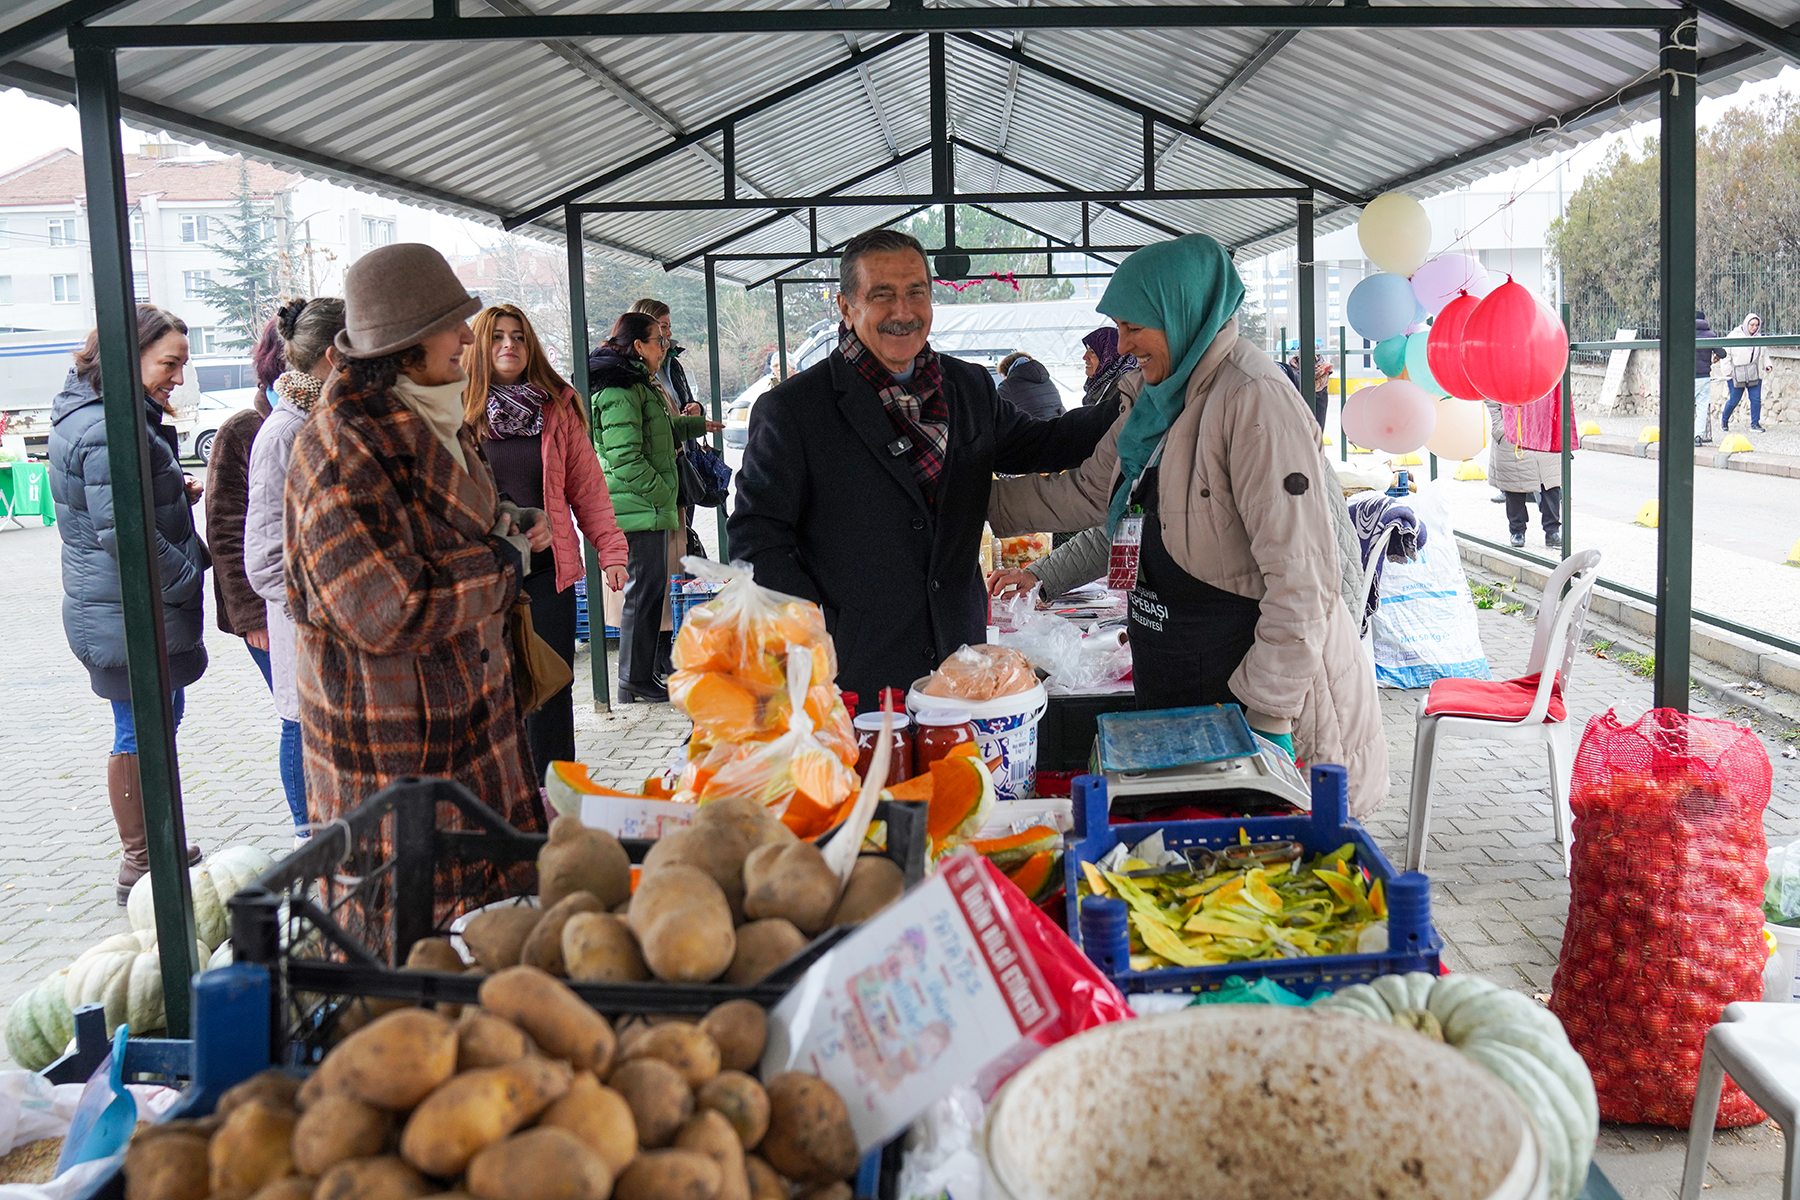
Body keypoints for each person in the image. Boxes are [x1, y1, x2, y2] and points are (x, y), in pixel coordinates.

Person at [985, 234, 1388, 815]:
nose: (1123, 344)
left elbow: (1303, 581)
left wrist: (1269, 716)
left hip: (1251, 701)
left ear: (1182, 313)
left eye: (1134, 327)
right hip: (1178, 683)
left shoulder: (1253, 400)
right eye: (1119, 327)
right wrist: (972, 503)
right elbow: (1094, 496)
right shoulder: (1153, 399)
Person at [728, 227, 1115, 703]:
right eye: (882, 295)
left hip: (959, 659)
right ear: (846, 307)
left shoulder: (967, 388)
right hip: (852, 671)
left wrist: (1134, 403)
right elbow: (756, 535)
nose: (903, 311)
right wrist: (811, 630)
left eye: (916, 292)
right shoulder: (795, 409)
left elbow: (1045, 443)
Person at [284, 243, 551, 917]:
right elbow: (385, 609)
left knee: (493, 936)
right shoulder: (340, 447)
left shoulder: (436, 416)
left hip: (473, 734)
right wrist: (504, 560)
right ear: (405, 346)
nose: (469, 337)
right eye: (452, 324)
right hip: (396, 753)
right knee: (414, 949)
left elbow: (448, 521)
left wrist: (509, 519)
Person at [48, 305, 206, 902]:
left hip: (121, 607)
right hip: (125, 611)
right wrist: (187, 575)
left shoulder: (104, 415)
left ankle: (158, 841)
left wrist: (173, 491)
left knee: (154, 723)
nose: (178, 378)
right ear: (128, 355)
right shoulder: (107, 427)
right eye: (169, 364)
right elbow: (124, 532)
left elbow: (122, 504)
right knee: (140, 729)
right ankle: (141, 859)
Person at [462, 303, 630, 771]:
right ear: (479, 347)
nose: (509, 345)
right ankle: (508, 797)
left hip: (548, 573)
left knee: (552, 687)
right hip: (483, 577)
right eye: (497, 337)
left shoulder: (556, 405)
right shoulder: (457, 407)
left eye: (518, 336)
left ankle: (555, 794)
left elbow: (587, 486)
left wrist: (612, 550)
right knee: (493, 694)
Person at [245, 297, 344, 845]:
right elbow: (263, 559)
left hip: (337, 626)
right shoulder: (284, 432)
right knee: (301, 727)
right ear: (334, 355)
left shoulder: (331, 419)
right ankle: (313, 848)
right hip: (308, 626)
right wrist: (325, 605)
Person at [593, 311, 719, 703]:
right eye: (659, 340)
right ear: (638, 346)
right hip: (638, 507)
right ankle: (633, 679)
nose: (664, 347)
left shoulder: (637, 382)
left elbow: (656, 431)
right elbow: (625, 457)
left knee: (649, 592)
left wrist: (696, 426)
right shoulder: (620, 389)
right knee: (642, 594)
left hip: (645, 505)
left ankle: (639, 676)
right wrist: (662, 490)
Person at [204, 316, 278, 728]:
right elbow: (226, 531)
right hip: (267, 612)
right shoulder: (244, 430)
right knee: (298, 720)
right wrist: (252, 617)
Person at [1486, 400, 1562, 550]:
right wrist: (1501, 431)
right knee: (1514, 486)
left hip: (1543, 431)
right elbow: (1490, 401)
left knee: (1550, 485)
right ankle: (1517, 531)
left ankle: (1552, 531)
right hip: (1512, 434)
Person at [1721, 312, 1766, 434]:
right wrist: (1728, 372)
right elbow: (1725, 355)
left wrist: (1767, 365)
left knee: (1755, 399)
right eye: (1752, 325)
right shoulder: (1734, 336)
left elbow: (1764, 353)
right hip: (1736, 373)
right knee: (1734, 399)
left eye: (1757, 325)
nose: (1754, 328)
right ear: (1746, 324)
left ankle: (1755, 423)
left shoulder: (1759, 338)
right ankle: (1724, 420)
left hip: (1754, 372)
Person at [1081, 326, 1136, 411]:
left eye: (1092, 352)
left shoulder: (1124, 390)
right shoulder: (1099, 386)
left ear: (1110, 356)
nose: (1084, 357)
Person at [996, 352, 1064, 420]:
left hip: (1036, 425)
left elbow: (994, 410)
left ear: (1007, 372)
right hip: (1057, 423)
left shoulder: (1008, 386)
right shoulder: (1047, 381)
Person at [1695, 309, 1718, 445]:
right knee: (1702, 407)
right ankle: (1698, 436)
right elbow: (1722, 353)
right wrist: (1716, 357)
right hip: (1704, 376)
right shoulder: (1711, 335)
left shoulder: (1685, 333)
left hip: (1687, 377)